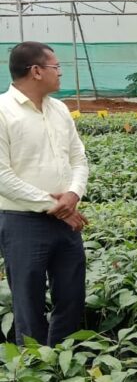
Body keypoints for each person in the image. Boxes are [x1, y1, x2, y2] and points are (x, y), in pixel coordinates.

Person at [0, 42, 89, 347]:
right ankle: (34, 370)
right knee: (29, 304)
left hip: (65, 221)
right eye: (56, 67)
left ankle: (62, 362)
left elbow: (79, 158)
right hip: (22, 223)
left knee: (73, 297)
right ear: (36, 71)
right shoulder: (2, 111)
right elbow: (2, 176)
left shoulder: (59, 109)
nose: (60, 72)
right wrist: (56, 204)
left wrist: (73, 194)